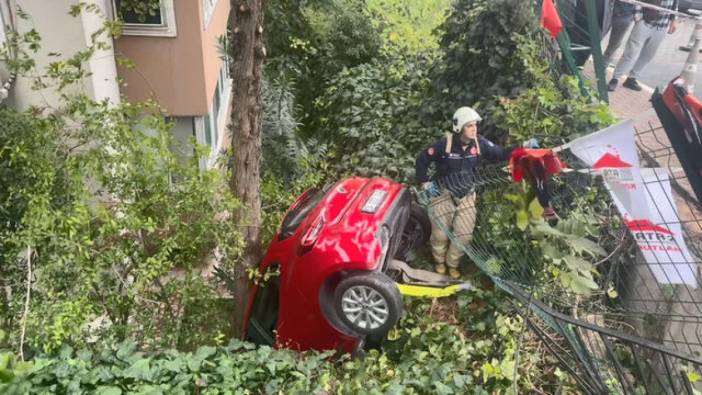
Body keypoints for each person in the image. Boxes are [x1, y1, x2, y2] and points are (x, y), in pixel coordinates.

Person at [415, 107, 516, 279]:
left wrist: (522, 147)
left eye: (475, 125)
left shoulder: (480, 143)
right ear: (460, 127)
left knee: (464, 236)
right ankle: (439, 261)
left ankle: (451, 263)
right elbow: (422, 160)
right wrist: (425, 182)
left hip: (467, 195)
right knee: (439, 234)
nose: (474, 129)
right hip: (442, 194)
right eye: (469, 126)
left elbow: (500, 154)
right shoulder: (444, 145)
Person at [608, 0, 678, 92]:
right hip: (645, 23)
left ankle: (632, 79)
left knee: (648, 55)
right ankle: (615, 78)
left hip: (662, 26)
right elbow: (637, 2)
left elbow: (675, 4)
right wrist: (638, 18)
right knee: (630, 53)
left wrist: (674, 20)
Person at [602, 1, 636, 67]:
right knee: (595, 37)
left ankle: (603, 66)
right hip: (606, 10)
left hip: (625, 16)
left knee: (614, 44)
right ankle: (581, 61)